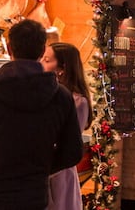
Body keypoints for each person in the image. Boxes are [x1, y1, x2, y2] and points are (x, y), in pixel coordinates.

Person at [0, 19, 83, 209]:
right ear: (43, 50)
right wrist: (40, 169)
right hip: (33, 198)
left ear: (9, 48)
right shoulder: (61, 96)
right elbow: (73, 152)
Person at [42, 42, 93, 210]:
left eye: (47, 60)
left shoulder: (77, 101)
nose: (41, 62)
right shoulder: (49, 94)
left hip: (59, 172)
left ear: (62, 68)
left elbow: (67, 143)